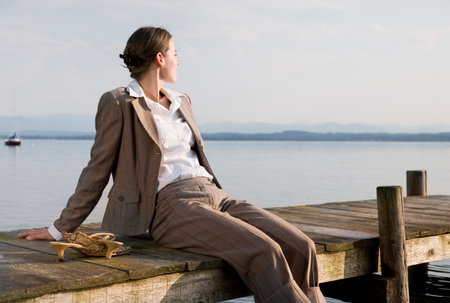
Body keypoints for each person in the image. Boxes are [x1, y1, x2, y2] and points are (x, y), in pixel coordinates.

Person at [18, 26, 326, 303]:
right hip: (169, 207)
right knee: (265, 252)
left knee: (301, 246)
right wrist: (60, 229)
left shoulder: (182, 100)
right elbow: (97, 168)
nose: (179, 60)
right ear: (159, 59)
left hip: (216, 196)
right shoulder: (119, 102)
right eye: (175, 54)